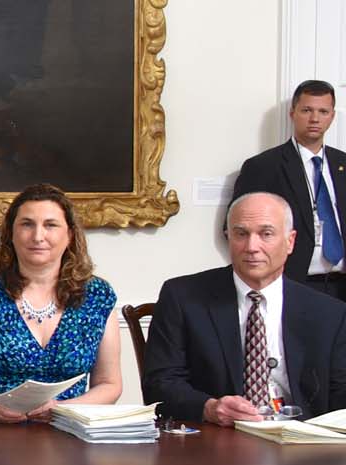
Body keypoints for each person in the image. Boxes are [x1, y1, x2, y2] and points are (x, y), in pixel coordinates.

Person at [146, 192, 346, 425]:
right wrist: (209, 408)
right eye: (241, 234)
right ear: (228, 237)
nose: (252, 247)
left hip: (301, 436)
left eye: (266, 234)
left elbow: (340, 395)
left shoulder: (329, 313)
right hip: (216, 435)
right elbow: (159, 384)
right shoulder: (182, 297)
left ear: (290, 241)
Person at [0, 184, 122, 424]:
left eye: (50, 225)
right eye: (27, 224)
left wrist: (62, 409)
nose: (38, 236)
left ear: (70, 235)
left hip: (70, 432)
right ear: (10, 234)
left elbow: (110, 384)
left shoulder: (98, 296)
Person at [233, 80, 346, 300]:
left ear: (332, 117)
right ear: (293, 113)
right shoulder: (263, 166)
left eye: (323, 111)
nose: (315, 119)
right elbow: (236, 226)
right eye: (307, 110)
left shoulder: (343, 163)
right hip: (294, 283)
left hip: (342, 287)